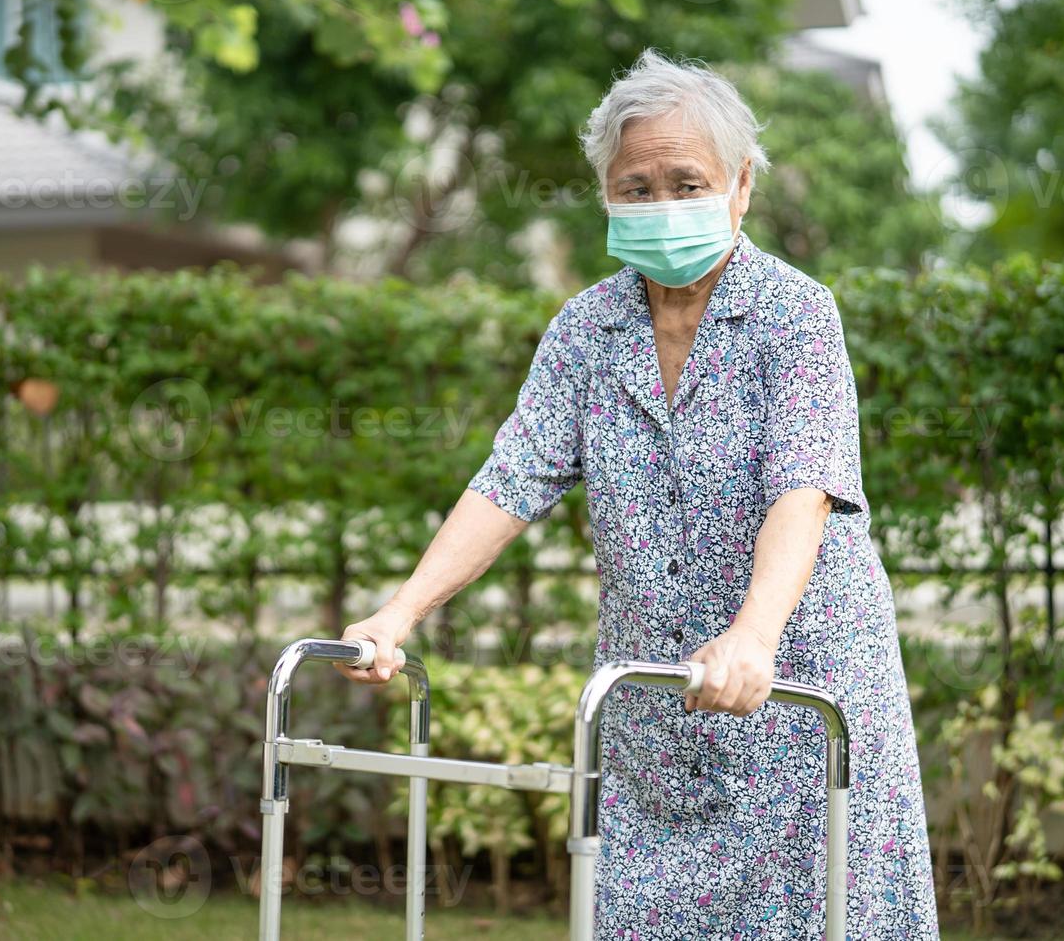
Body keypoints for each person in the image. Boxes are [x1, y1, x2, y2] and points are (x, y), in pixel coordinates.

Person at [337, 48, 939, 939]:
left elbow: (804, 487)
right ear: (608, 198)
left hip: (797, 695)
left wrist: (753, 635)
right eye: (637, 186)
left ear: (741, 187)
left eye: (685, 181)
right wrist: (401, 612)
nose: (661, 206)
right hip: (657, 711)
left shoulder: (795, 313)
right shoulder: (586, 329)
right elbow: (512, 477)